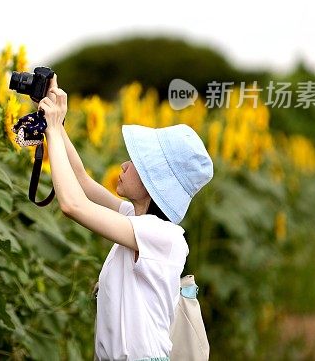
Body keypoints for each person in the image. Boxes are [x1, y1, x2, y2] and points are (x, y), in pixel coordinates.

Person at [38, 75, 213, 361]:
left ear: (153, 182)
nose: (124, 164)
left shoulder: (163, 237)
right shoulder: (137, 219)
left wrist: (55, 131)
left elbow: (73, 205)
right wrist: (56, 122)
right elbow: (81, 181)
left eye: (135, 163)